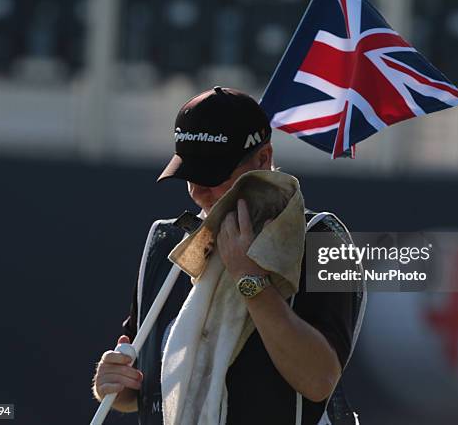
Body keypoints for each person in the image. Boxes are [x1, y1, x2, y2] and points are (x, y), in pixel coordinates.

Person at [92, 86, 364, 424]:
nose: (198, 191)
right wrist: (116, 386)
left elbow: (319, 380)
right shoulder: (167, 242)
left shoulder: (325, 241)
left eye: (213, 174)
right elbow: (144, 379)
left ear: (263, 159)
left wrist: (250, 279)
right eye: (188, 173)